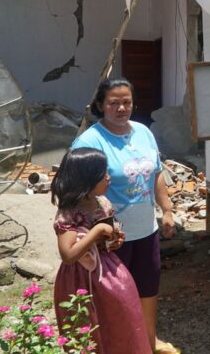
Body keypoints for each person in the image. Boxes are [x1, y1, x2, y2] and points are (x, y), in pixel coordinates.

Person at [72, 78, 177, 354]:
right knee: (115, 296)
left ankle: (148, 342)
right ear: (100, 105)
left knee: (147, 289)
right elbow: (77, 190)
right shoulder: (89, 141)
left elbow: (156, 174)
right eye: (113, 103)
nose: (121, 108)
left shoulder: (143, 132)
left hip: (146, 231)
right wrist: (94, 229)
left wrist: (166, 210)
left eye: (127, 102)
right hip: (111, 238)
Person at [52, 147, 152, 353]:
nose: (108, 177)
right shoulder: (68, 213)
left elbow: (109, 231)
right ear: (87, 179)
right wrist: (97, 231)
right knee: (87, 325)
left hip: (110, 271)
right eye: (102, 173)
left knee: (121, 318)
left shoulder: (102, 202)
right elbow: (68, 255)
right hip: (80, 279)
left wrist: (115, 239)